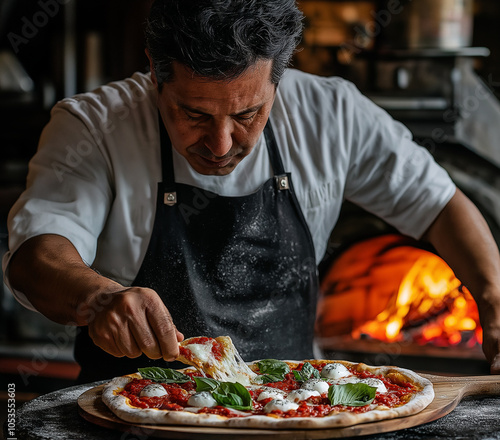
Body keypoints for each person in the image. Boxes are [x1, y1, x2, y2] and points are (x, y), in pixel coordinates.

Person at [3, 0, 500, 381]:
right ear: (155, 69)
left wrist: (494, 297)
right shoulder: (94, 126)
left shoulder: (333, 115)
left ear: (278, 80)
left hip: (294, 410)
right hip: (141, 423)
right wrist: (99, 297)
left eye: (246, 115)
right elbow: (35, 256)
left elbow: (438, 205)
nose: (220, 145)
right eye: (193, 113)